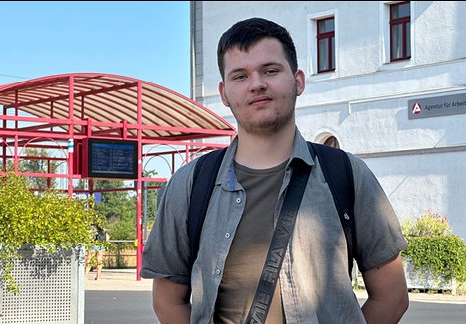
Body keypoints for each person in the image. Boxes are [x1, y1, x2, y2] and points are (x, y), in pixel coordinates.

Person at [141, 17, 409, 323]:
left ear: (298, 81)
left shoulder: (347, 175)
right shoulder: (190, 185)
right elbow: (167, 299)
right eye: (240, 76)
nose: (257, 84)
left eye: (270, 70)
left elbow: (392, 296)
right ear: (224, 92)